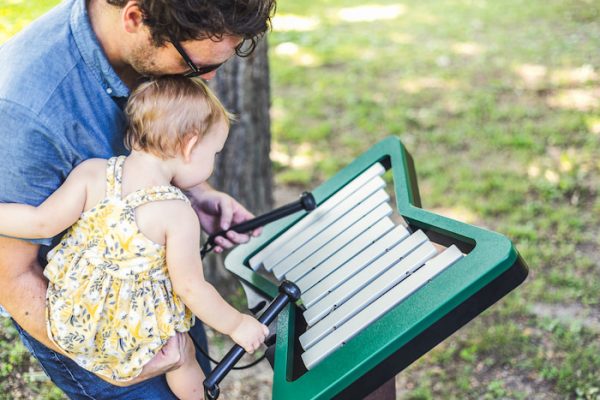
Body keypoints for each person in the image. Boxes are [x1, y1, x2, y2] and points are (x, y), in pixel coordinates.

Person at [0, 0, 275, 398]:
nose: (211, 78)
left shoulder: (94, 174)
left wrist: (198, 194)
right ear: (134, 19)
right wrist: (237, 325)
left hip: (86, 314)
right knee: (184, 360)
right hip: (91, 337)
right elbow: (9, 274)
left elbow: (41, 221)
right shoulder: (26, 113)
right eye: (196, 65)